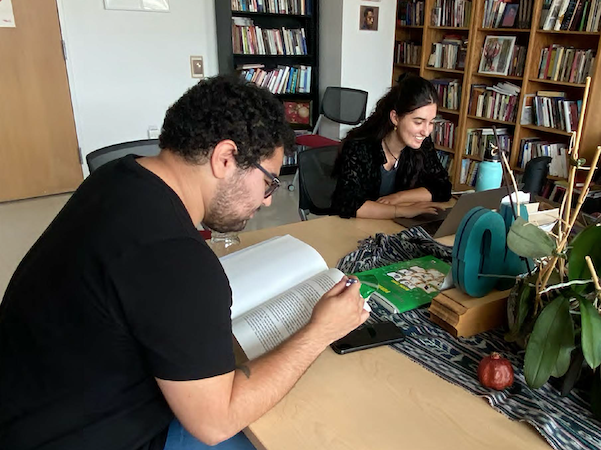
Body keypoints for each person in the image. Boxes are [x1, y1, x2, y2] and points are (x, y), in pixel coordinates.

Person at [0, 76, 369, 450]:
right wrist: (320, 331)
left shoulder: (119, 175)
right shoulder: (175, 258)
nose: (268, 201)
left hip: (29, 411)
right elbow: (216, 422)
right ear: (225, 158)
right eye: (269, 182)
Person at [331, 76, 452, 219]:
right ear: (395, 117)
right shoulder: (359, 146)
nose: (426, 132)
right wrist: (400, 211)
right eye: (418, 122)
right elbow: (347, 204)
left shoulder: (421, 144)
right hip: (350, 229)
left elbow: (442, 187)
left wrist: (399, 197)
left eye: (431, 122)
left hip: (391, 229)